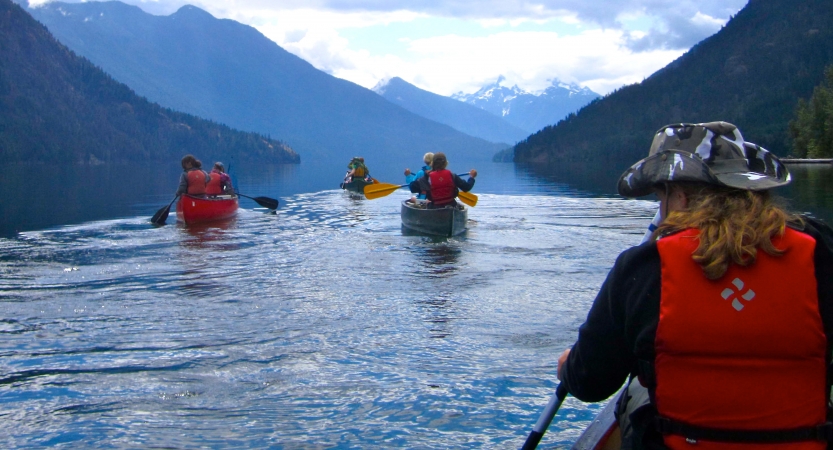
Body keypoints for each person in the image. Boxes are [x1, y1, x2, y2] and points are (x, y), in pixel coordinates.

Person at [556, 121, 833, 450]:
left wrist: (568, 366)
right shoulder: (820, 252)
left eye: (662, 197)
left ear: (681, 196)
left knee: (639, 388)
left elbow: (591, 383)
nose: (661, 210)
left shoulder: (643, 268)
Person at [411, 152, 476, 208]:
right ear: (445, 163)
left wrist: (424, 178)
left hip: (434, 206)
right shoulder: (452, 176)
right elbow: (467, 187)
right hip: (451, 205)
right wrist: (472, 177)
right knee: (459, 206)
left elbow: (412, 188)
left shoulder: (427, 177)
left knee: (419, 202)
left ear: (432, 164)